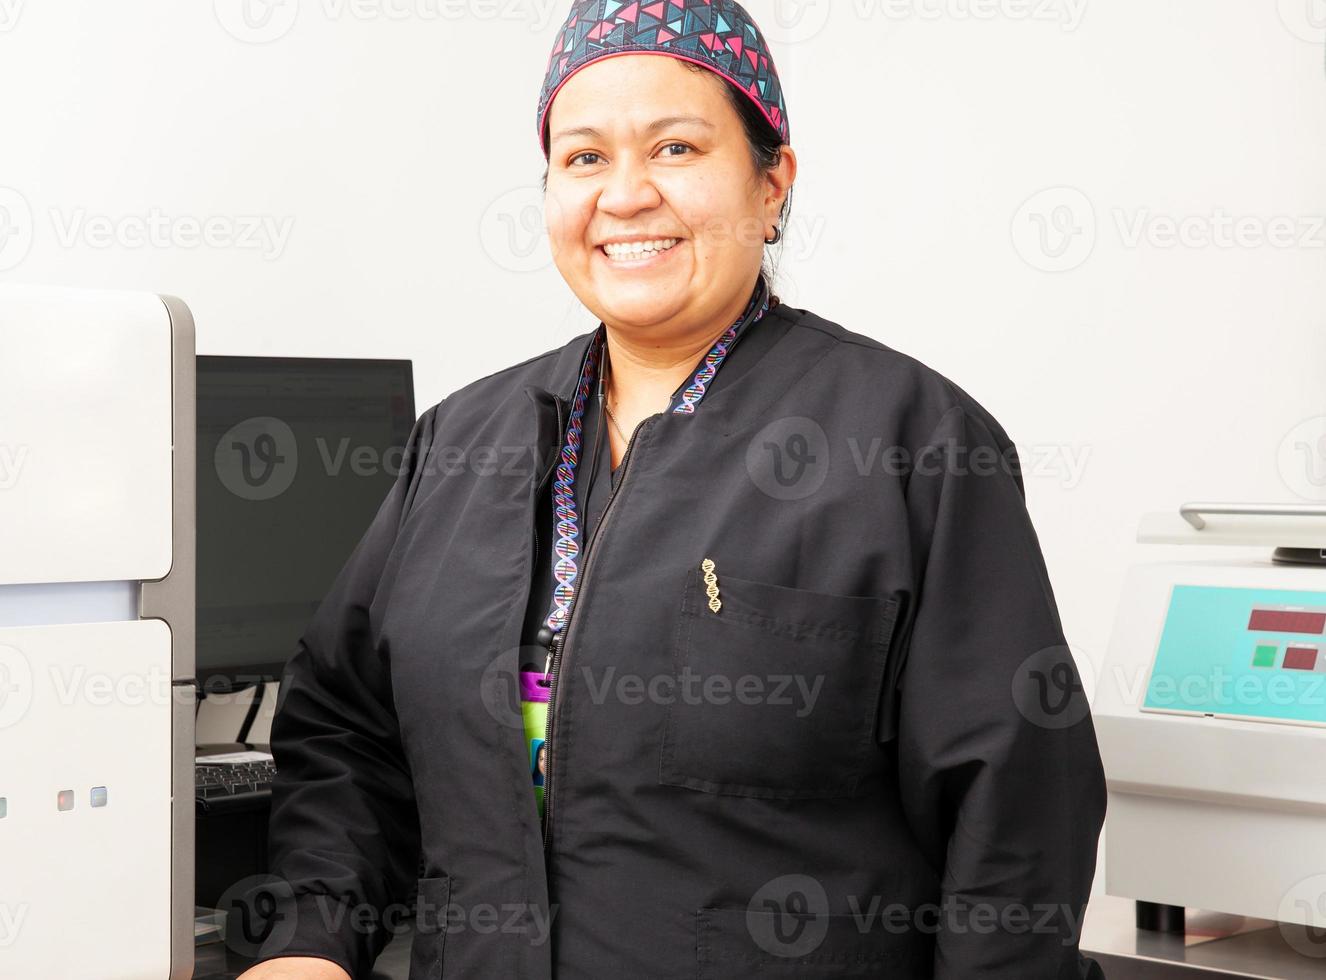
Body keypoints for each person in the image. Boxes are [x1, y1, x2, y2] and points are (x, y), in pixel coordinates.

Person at [238, 2, 1108, 978]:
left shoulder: (908, 442)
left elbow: (1017, 811)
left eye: (677, 147)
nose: (625, 195)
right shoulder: (459, 441)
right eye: (583, 158)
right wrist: (313, 936)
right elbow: (349, 727)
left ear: (771, 183)